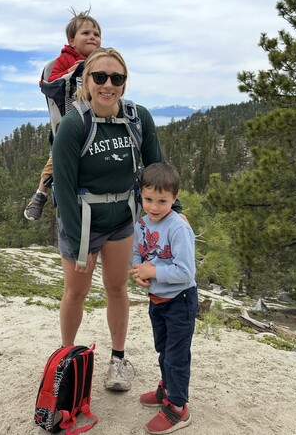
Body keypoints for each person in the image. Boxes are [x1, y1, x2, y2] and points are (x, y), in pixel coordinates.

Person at [52, 47, 184, 392]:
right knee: (75, 293)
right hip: (82, 222)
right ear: (87, 81)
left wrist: (175, 212)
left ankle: (118, 359)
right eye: (100, 77)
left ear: (124, 82)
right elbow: (63, 188)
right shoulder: (73, 125)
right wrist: (79, 244)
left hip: (122, 221)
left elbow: (156, 168)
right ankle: (65, 359)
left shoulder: (138, 118)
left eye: (116, 78)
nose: (108, 84)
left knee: (117, 288)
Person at [129, 162, 197, 434]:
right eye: (148, 199)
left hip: (180, 300)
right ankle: (167, 390)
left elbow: (186, 272)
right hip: (157, 299)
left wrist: (153, 271)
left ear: (174, 199)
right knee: (164, 349)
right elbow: (138, 253)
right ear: (141, 195)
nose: (154, 207)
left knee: (176, 356)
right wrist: (139, 272)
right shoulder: (141, 224)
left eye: (162, 201)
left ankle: (178, 408)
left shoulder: (178, 228)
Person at [24, 9, 102, 221]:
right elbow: (50, 83)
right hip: (70, 120)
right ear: (72, 41)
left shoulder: (101, 60)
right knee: (58, 155)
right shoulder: (65, 59)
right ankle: (41, 193)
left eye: (96, 34)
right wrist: (72, 72)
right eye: (86, 33)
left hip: (97, 121)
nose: (92, 37)